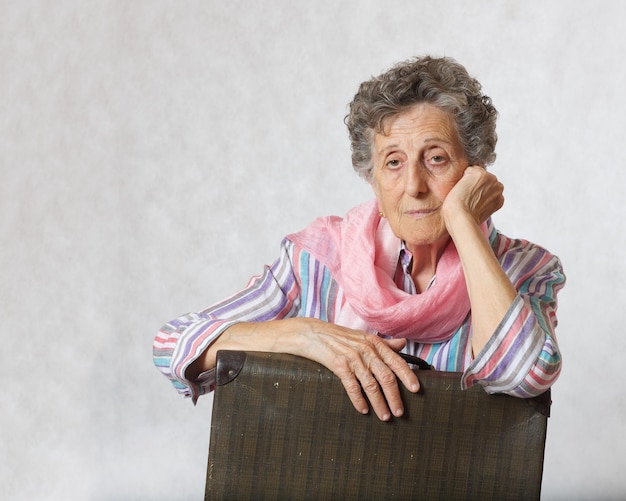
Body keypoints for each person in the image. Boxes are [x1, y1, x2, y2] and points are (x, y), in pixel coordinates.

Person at [153, 55, 565, 422]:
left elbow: (523, 375)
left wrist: (462, 220)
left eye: (436, 158)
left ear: (473, 170)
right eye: (393, 163)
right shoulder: (315, 262)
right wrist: (304, 334)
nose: (414, 185)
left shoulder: (525, 269)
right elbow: (173, 344)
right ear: (373, 181)